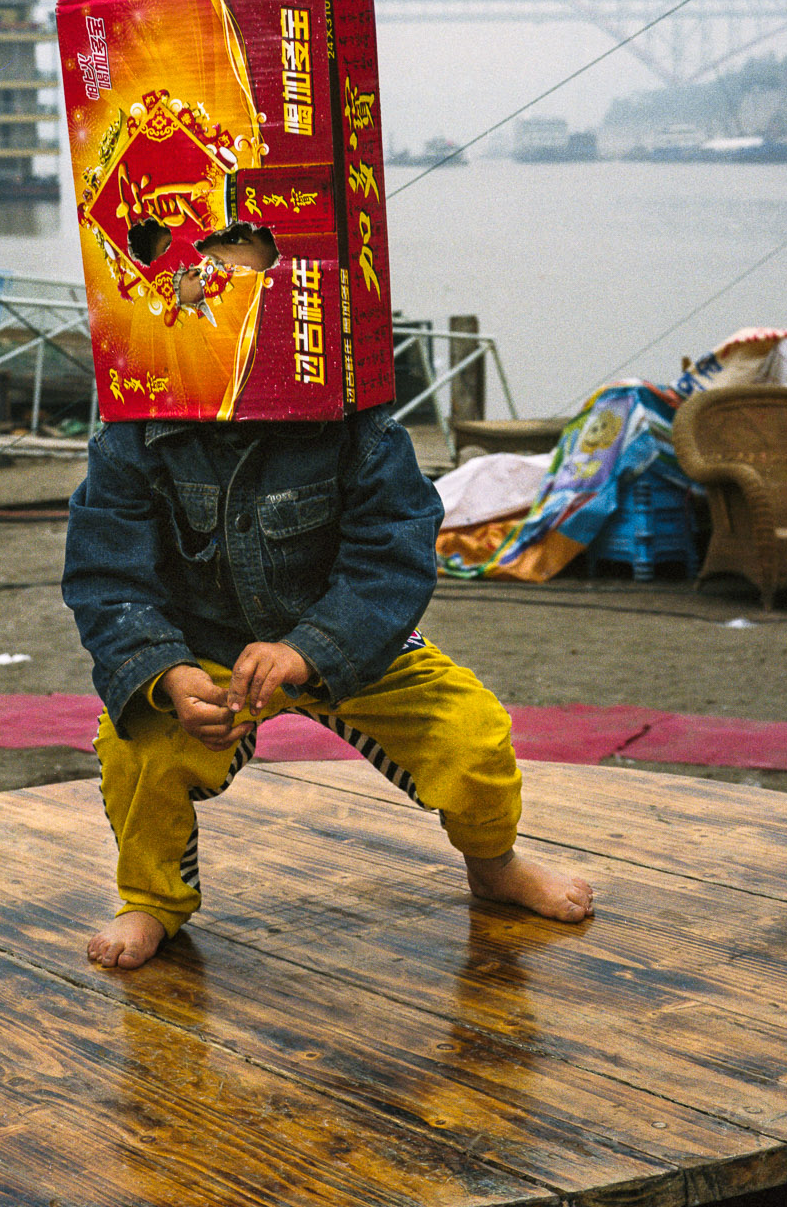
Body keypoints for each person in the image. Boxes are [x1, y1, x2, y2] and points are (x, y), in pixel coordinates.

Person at [62, 405, 595, 969]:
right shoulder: (130, 441)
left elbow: (392, 560)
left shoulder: (361, 429)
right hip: (203, 652)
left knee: (471, 734)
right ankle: (151, 898)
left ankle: (494, 864)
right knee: (136, 747)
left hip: (355, 643)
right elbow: (107, 578)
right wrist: (166, 672)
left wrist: (306, 651)